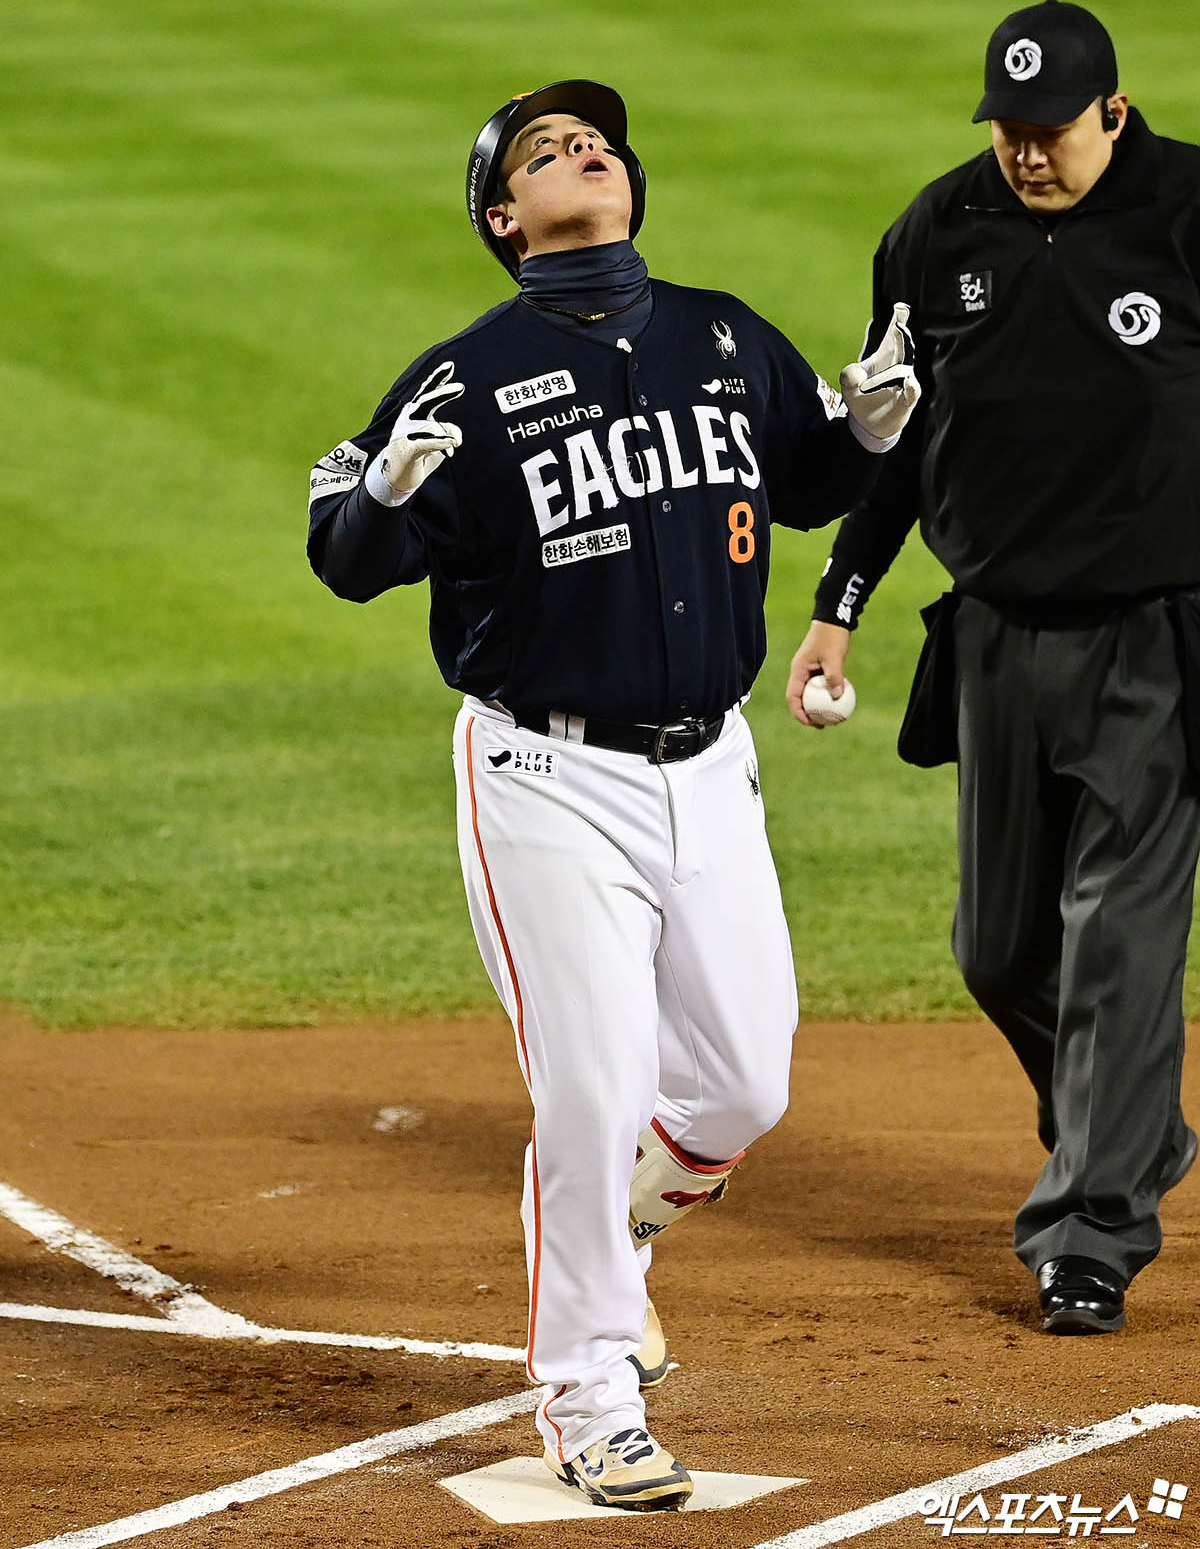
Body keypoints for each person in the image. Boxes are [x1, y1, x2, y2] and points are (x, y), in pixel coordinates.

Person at [307, 79, 918, 1510]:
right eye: (544, 151)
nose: (585, 150)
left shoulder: (721, 335)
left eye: (597, 141)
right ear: (504, 218)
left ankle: (623, 1228)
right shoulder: (466, 378)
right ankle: (589, 1392)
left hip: (711, 767)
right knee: (591, 1091)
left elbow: (807, 477)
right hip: (547, 778)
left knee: (745, 1080)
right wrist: (384, 494)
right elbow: (347, 558)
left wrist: (870, 431)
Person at [788, 0, 1200, 1337]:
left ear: (1114, 112)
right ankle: (1132, 1128)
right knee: (999, 949)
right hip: (997, 636)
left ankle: (1089, 1232)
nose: (1026, 152)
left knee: (1118, 937)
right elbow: (894, 437)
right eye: (1008, 128)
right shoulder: (935, 232)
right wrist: (840, 600)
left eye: (1051, 129)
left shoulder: (1187, 211)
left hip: (1158, 638)